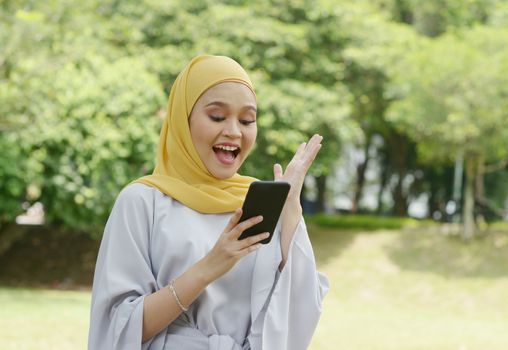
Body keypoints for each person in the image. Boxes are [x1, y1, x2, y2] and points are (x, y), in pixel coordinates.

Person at [88, 55, 329, 350]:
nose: (234, 131)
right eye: (217, 116)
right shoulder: (143, 201)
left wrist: (291, 214)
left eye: (247, 120)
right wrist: (209, 268)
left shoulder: (261, 205)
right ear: (182, 119)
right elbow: (116, 327)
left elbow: (296, 319)